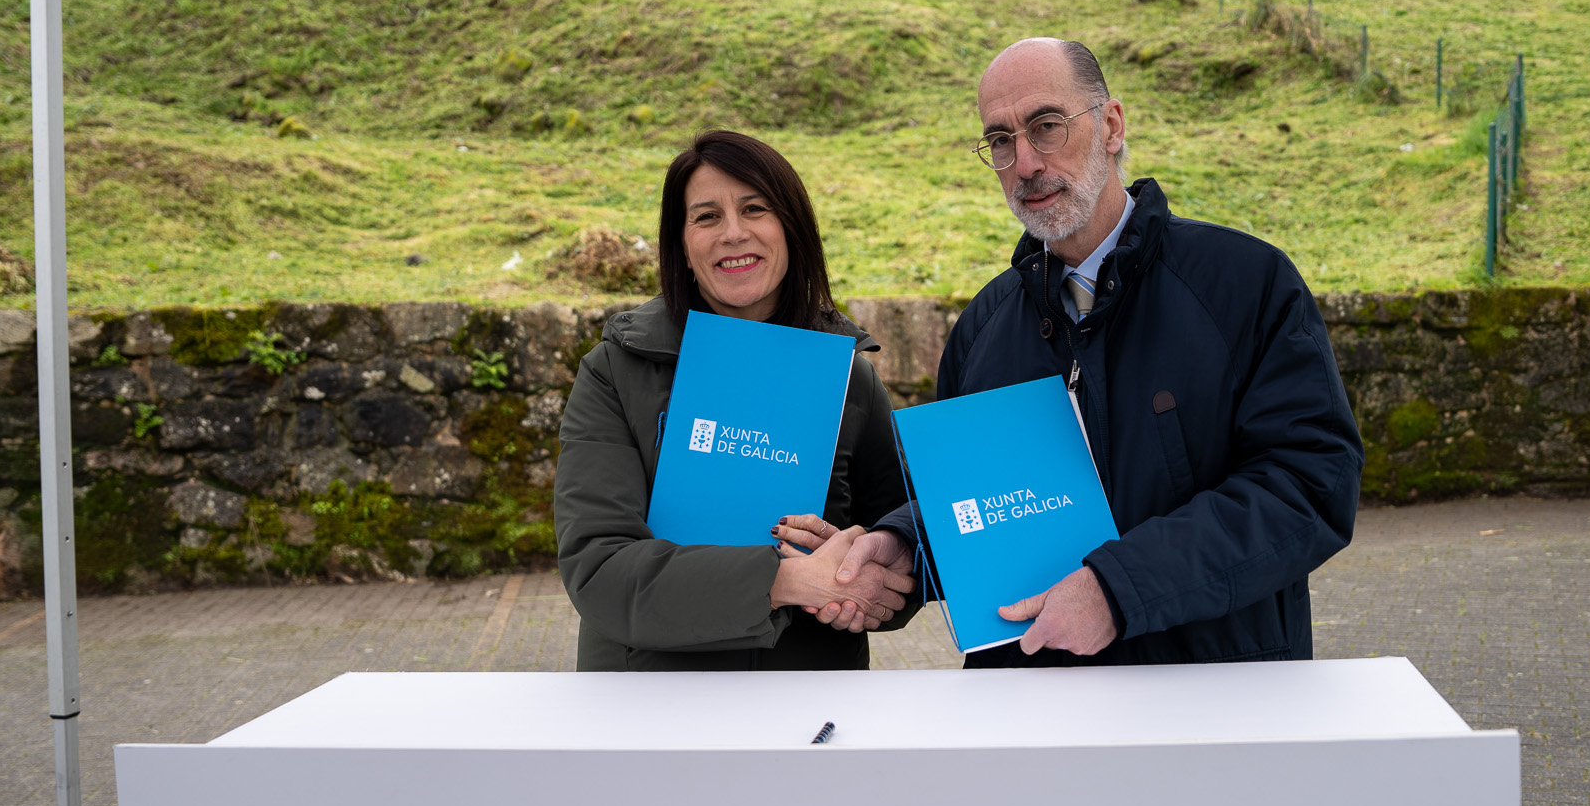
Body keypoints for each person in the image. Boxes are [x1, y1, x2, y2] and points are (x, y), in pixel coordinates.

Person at [828, 37, 1364, 666]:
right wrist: (908, 545)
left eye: (1046, 126)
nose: (1025, 163)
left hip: (1211, 696)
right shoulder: (981, 329)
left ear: (1111, 125)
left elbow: (1309, 484)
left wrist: (1119, 590)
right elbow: (983, 502)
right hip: (1033, 703)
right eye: (1000, 140)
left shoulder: (1245, 285)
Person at [552, 130, 916, 671]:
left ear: (792, 227)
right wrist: (787, 580)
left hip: (810, 695)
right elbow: (599, 569)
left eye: (754, 208)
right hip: (648, 693)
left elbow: (900, 554)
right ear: (681, 244)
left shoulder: (850, 379)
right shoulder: (616, 371)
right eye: (706, 217)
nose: (733, 233)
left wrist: (854, 573)